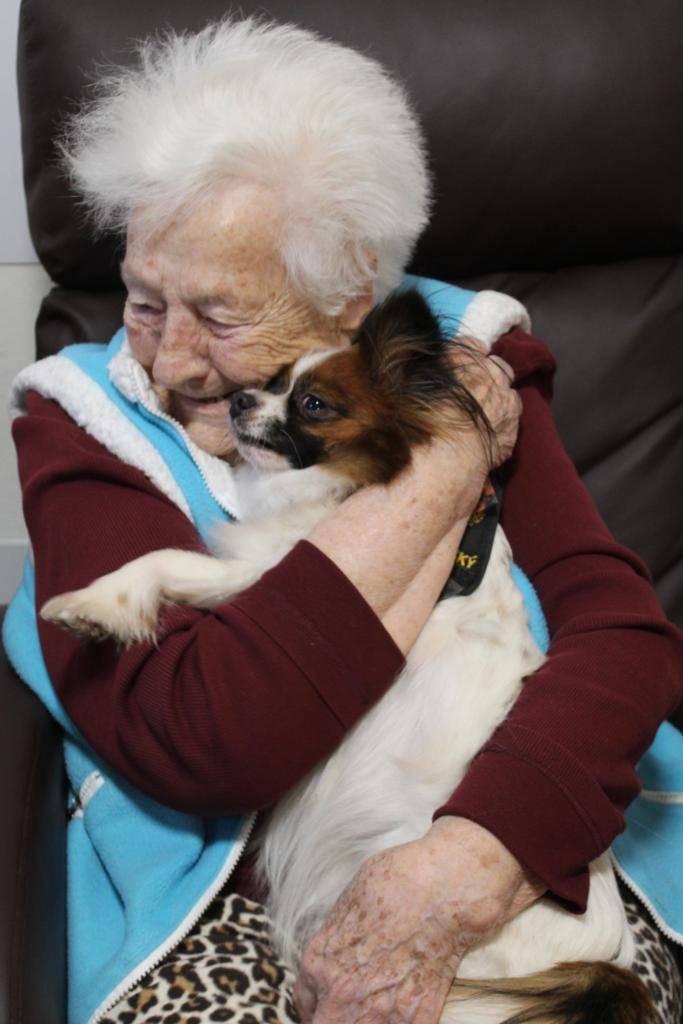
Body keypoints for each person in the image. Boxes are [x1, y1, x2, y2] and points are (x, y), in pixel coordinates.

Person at [7, 15, 683, 1024]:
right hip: (220, 901)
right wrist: (445, 463)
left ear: (349, 298)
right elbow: (205, 738)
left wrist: (473, 855)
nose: (167, 358)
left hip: (526, 850)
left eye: (220, 315)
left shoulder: (457, 354)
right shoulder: (86, 419)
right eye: (144, 299)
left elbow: (621, 638)